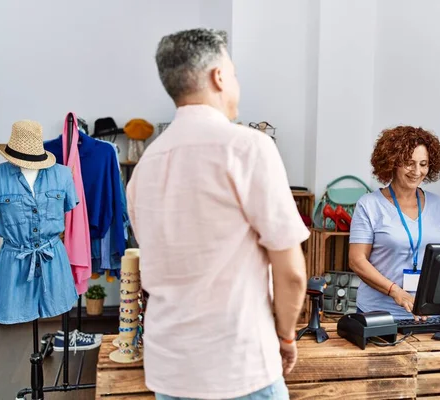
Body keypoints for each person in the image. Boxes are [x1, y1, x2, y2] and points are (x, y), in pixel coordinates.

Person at [126, 28, 310, 400]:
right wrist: (286, 336)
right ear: (219, 76)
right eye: (234, 72)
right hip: (239, 365)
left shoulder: (144, 168)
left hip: (171, 369)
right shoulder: (248, 148)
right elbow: (290, 271)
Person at [349, 126, 440, 320]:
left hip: (428, 314)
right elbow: (357, 261)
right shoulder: (369, 205)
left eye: (423, 164)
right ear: (392, 162)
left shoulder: (438, 205)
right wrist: (395, 291)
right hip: (379, 314)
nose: (417, 171)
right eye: (409, 163)